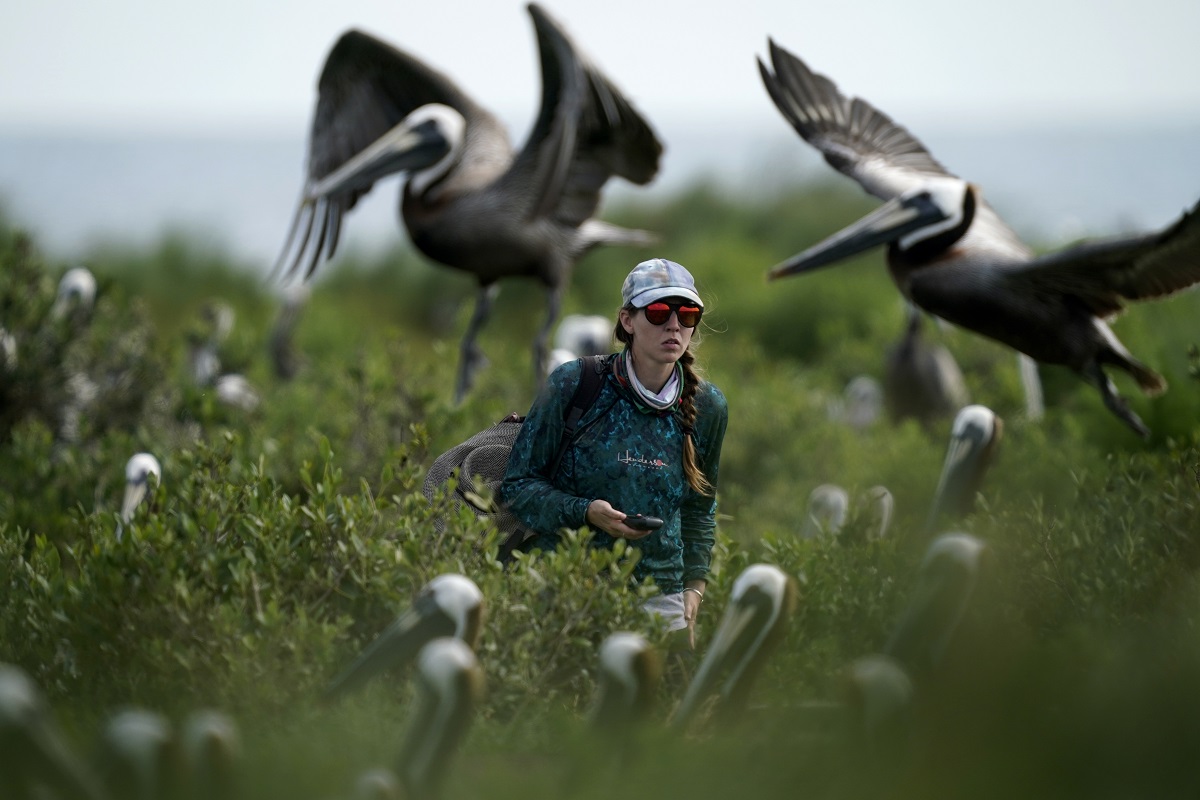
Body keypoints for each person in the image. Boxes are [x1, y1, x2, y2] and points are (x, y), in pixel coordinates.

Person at [499, 258, 728, 647]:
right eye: (658, 312)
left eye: (687, 314)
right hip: (561, 588)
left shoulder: (708, 407)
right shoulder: (575, 382)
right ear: (627, 320)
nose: (674, 324)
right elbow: (518, 487)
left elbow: (700, 507)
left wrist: (694, 587)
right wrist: (586, 512)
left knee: (667, 707)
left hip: (660, 597)